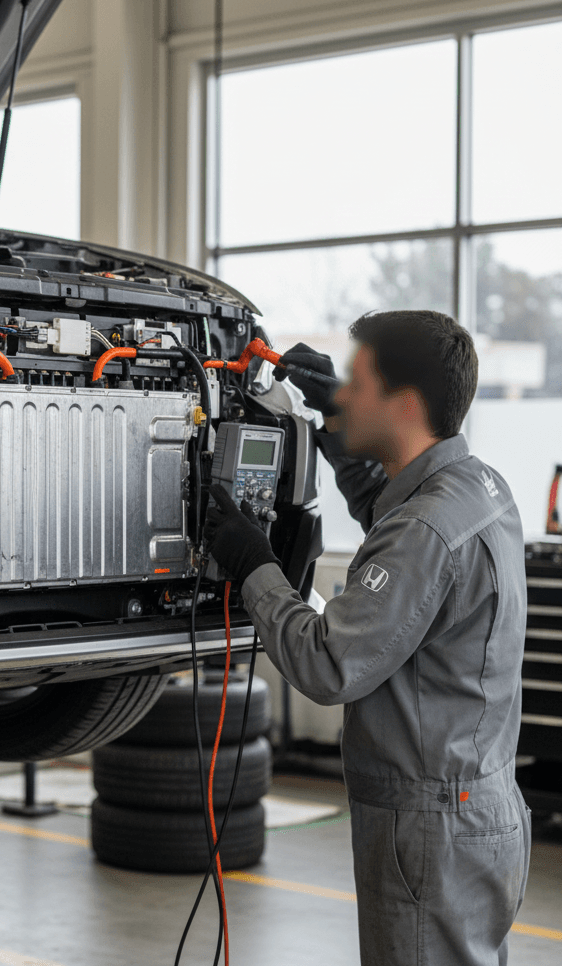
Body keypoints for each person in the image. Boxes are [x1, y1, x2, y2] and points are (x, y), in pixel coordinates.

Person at [206, 310, 532, 966]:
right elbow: (397, 512)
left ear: (405, 404)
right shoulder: (479, 487)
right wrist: (340, 430)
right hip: (484, 807)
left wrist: (255, 567)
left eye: (355, 383)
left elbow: (329, 663)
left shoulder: (426, 531)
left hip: (430, 827)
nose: (342, 393)